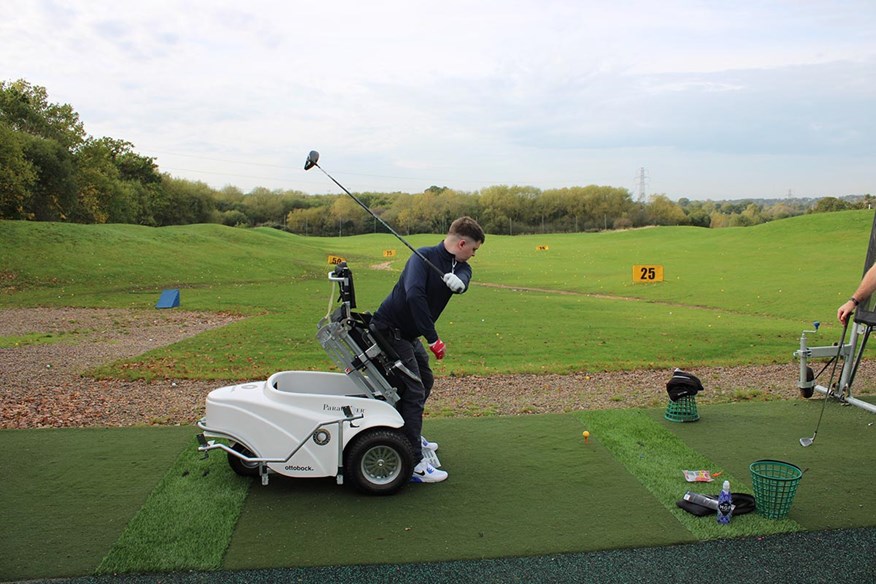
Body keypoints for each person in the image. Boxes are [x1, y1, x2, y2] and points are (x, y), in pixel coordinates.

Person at [371, 216, 485, 483]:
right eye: (473, 249)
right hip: (391, 331)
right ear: (461, 243)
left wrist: (462, 283)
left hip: (409, 334)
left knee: (426, 379)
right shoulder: (422, 258)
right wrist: (433, 339)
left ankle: (409, 432)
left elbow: (465, 275)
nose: (474, 255)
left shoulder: (459, 265)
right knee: (413, 389)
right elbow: (414, 296)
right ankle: (413, 462)